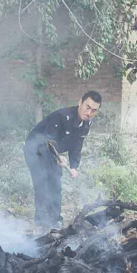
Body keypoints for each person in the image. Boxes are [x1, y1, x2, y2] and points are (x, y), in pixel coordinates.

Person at [23, 91, 101, 230]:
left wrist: (74, 166)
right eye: (87, 107)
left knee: (55, 182)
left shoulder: (86, 124)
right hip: (35, 148)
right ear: (80, 103)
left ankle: (56, 221)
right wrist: (58, 156)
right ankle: (41, 223)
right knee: (42, 181)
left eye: (94, 110)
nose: (89, 113)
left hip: (52, 152)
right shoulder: (62, 116)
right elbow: (48, 140)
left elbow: (77, 145)